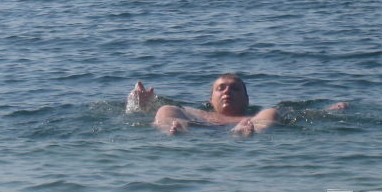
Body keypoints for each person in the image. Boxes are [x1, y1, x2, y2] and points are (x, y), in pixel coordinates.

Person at [126, 73, 349, 136]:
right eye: (221, 88)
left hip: (247, 124)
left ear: (246, 99)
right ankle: (175, 130)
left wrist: (327, 111)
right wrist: (141, 106)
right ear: (211, 98)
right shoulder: (194, 112)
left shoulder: (255, 115)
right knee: (166, 109)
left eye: (234, 88)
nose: (227, 92)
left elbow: (303, 114)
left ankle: (246, 133)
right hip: (196, 125)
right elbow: (146, 114)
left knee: (271, 113)